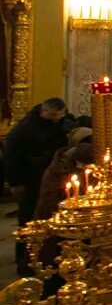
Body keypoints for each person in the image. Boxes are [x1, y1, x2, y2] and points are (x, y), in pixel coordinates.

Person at [5, 97, 69, 274]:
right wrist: (15, 182)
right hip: (31, 179)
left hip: (54, 180)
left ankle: (48, 257)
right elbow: (12, 156)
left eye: (60, 115)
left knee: (51, 219)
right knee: (29, 220)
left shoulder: (63, 124)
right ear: (44, 111)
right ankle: (24, 261)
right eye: (53, 115)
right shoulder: (25, 128)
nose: (56, 119)